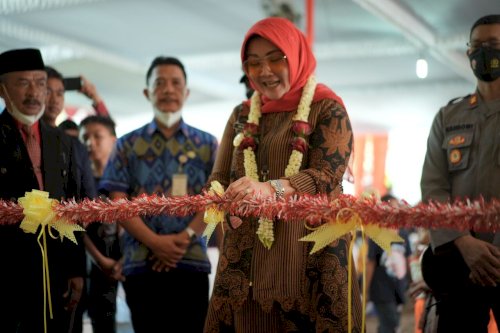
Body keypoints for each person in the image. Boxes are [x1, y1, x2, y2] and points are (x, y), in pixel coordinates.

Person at [204, 17, 362, 332]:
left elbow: (325, 177)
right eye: (254, 63)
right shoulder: (241, 114)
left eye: (276, 59)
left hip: (309, 254)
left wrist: (270, 190)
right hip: (246, 261)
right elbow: (218, 178)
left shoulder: (327, 109)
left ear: (297, 55)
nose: (264, 71)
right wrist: (225, 203)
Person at [100, 56, 218, 333]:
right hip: (141, 262)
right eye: (159, 83)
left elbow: (215, 199)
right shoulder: (126, 144)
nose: (168, 90)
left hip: (190, 261)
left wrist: (184, 237)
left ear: (186, 92)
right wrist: (154, 242)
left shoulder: (207, 145)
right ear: (146, 92)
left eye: (176, 83)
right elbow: (117, 201)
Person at [420, 14, 500, 333]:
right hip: (459, 263)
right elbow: (433, 187)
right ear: (468, 53)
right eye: (477, 46)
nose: (484, 53)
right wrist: (464, 243)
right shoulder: (448, 117)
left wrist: (492, 255)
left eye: (493, 45)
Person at [0, 48, 87, 332]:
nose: (34, 92)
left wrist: (76, 268)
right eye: (23, 83)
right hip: (9, 267)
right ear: (3, 89)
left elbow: (74, 206)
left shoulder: (61, 140)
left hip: (57, 266)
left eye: (40, 83)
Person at [79, 115, 124, 333]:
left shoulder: (126, 179)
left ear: (114, 140)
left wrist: (125, 258)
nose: (90, 142)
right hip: (96, 261)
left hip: (128, 257)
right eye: (85, 137)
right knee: (102, 321)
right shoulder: (78, 180)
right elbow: (76, 227)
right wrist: (101, 260)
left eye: (98, 136)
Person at [365, 194, 411, 333]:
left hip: (399, 288)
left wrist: (411, 281)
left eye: (396, 208)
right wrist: (366, 290)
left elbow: (408, 258)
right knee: (391, 325)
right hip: (381, 290)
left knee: (390, 324)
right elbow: (370, 263)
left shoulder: (403, 233)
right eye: (391, 208)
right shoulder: (376, 233)